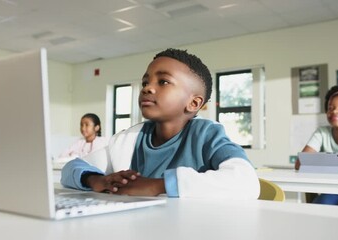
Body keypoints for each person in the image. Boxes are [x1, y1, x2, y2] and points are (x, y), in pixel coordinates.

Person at [61, 48, 260, 199]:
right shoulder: (128, 139)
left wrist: (159, 185)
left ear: (194, 103)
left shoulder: (207, 135)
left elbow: (247, 181)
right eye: (145, 82)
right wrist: (96, 180)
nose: (147, 88)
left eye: (163, 82)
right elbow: (72, 168)